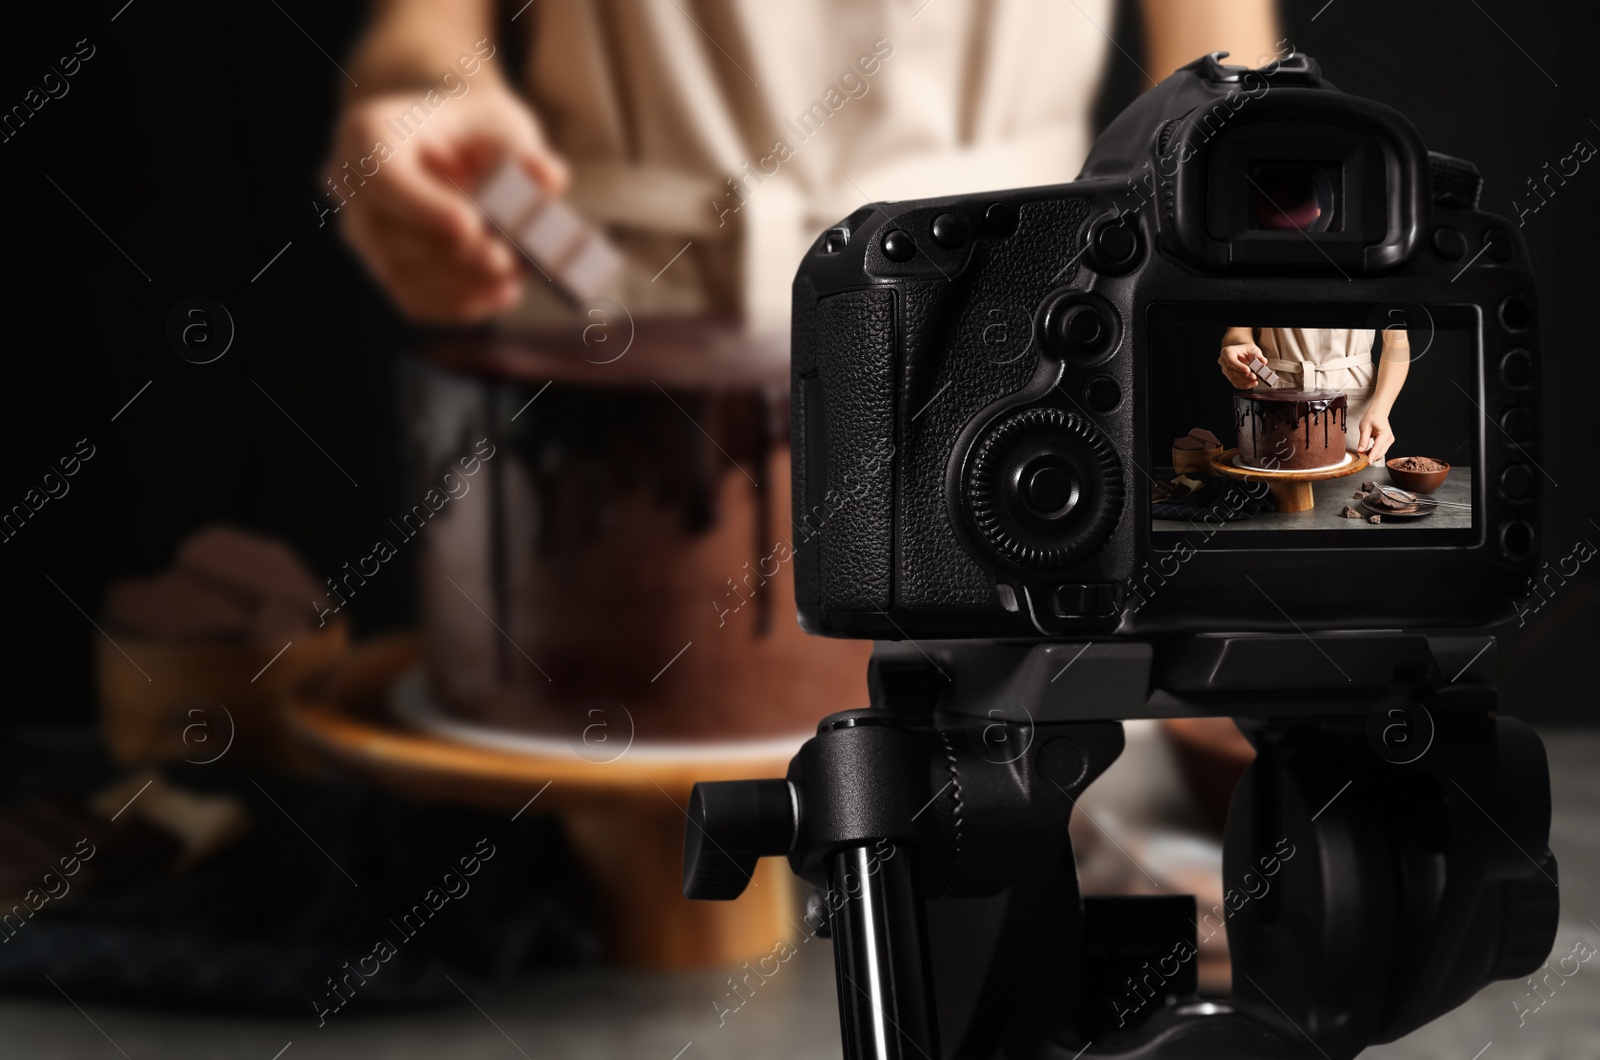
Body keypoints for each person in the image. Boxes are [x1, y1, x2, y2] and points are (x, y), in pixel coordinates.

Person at [324, 0, 1280, 327]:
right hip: (617, 314)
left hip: (1008, 307)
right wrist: (428, 105)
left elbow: (1222, 77)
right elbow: (428, 36)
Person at [1217, 326, 1411, 467]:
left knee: (1356, 497)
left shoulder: (1377, 268)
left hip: (1354, 404)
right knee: (1273, 504)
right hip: (1274, 395)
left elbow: (1396, 337)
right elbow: (1238, 331)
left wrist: (1381, 410)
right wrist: (1239, 346)